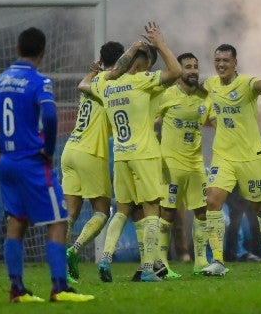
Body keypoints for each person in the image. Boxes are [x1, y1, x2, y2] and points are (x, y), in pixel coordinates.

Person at [0, 27, 94, 303]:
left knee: (17, 223)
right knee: (58, 221)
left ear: (17, 49)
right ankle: (59, 288)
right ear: (42, 53)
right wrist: (47, 149)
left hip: (7, 163)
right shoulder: (39, 81)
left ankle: (17, 290)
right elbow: (49, 116)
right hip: (31, 162)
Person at [80, 21, 181, 282]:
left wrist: (100, 71)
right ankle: (149, 269)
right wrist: (160, 43)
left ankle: (104, 258)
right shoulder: (142, 81)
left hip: (121, 154)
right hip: (145, 153)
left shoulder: (106, 84)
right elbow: (176, 71)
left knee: (122, 209)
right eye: (147, 61)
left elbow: (84, 86)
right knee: (151, 210)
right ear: (139, 64)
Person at [199, 43, 261, 277]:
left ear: (235, 63)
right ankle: (218, 261)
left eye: (226, 60)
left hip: (249, 157)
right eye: (218, 60)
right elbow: (197, 90)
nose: (221, 64)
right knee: (212, 202)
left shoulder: (246, 83)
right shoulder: (211, 85)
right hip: (223, 156)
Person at [61, 41, 128, 283]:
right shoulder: (114, 82)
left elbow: (82, 85)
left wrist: (94, 69)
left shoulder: (92, 81)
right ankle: (74, 250)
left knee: (71, 213)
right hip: (91, 152)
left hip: (70, 149)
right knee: (102, 211)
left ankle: (60, 265)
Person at [156, 52, 214, 277]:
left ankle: (200, 262)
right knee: (167, 214)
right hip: (171, 165)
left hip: (196, 164)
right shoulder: (166, 95)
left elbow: (217, 115)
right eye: (187, 67)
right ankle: (162, 263)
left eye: (195, 66)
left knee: (202, 212)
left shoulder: (205, 98)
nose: (192, 71)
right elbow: (149, 121)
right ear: (179, 71)